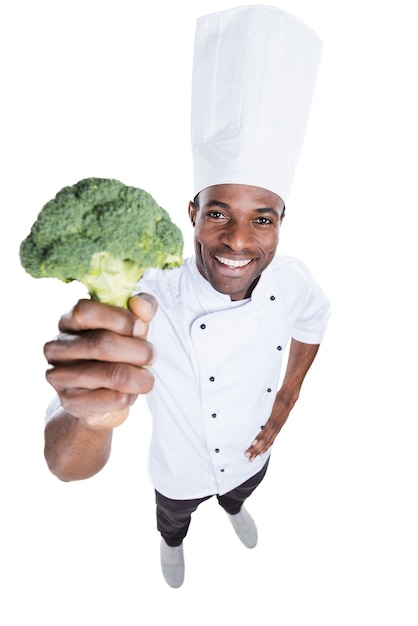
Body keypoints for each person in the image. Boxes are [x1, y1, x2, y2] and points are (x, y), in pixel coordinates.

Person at [43, 6, 331, 588]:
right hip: (176, 471)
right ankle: (172, 544)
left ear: (282, 222)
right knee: (172, 518)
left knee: (241, 489)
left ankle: (234, 505)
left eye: (263, 218)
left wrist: (288, 397)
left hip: (254, 453)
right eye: (219, 212)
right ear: (193, 213)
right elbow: (65, 466)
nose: (238, 240)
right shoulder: (143, 301)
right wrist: (90, 416)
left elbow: (315, 318)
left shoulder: (294, 278)